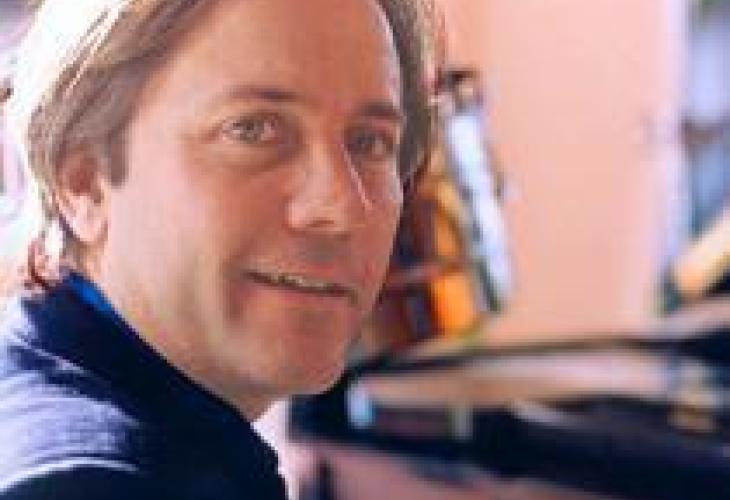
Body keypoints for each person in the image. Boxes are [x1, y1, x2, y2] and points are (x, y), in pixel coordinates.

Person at [0, 0, 436, 498]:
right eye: (254, 129)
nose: (341, 205)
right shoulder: (87, 484)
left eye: (370, 142)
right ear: (84, 182)